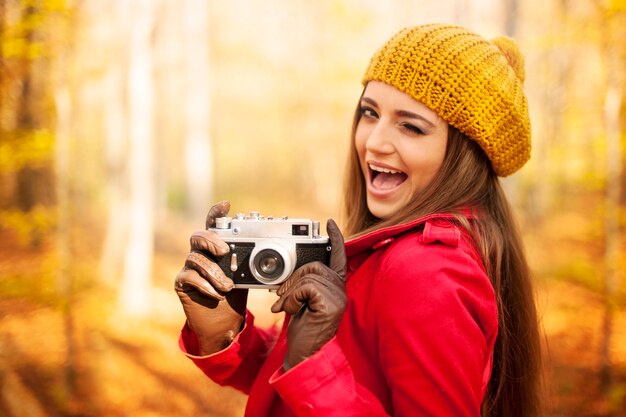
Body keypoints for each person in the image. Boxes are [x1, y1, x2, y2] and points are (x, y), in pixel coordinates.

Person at [175, 23, 542, 417]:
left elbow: (328, 383)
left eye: (411, 126)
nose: (374, 141)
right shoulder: (405, 249)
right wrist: (223, 334)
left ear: (465, 153)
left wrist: (312, 363)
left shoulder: (425, 269)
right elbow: (339, 384)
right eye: (370, 113)